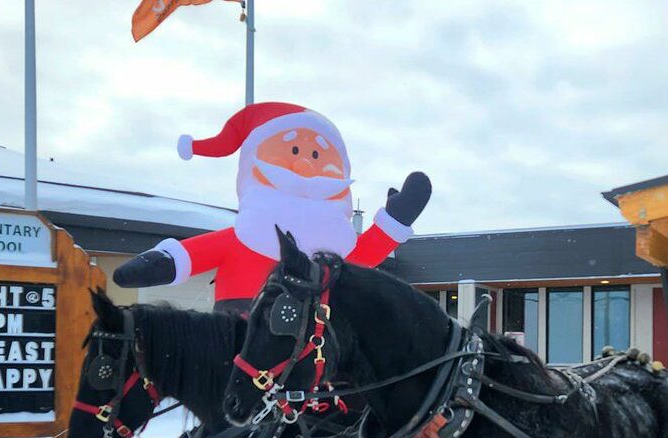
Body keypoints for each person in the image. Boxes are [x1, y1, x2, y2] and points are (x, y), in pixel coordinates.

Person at [113, 102, 431, 313]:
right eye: (293, 149)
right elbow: (193, 255)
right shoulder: (245, 237)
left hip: (318, 345)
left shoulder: (336, 249)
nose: (305, 162)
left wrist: (395, 219)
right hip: (241, 327)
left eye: (318, 155)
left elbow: (362, 255)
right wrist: (163, 262)